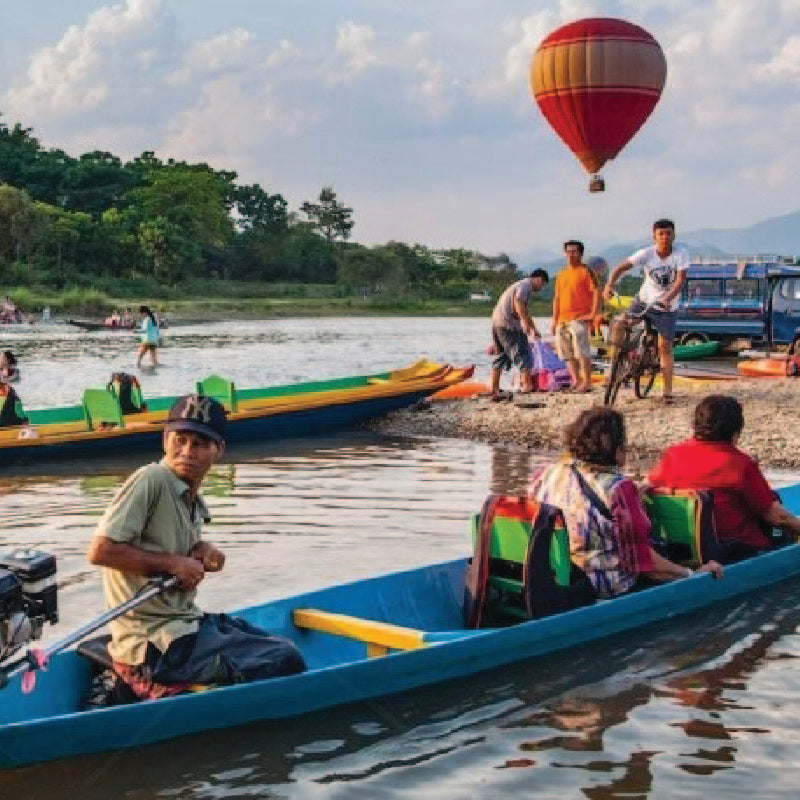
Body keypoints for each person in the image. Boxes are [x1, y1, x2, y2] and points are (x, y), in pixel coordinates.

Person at [87, 394, 306, 700]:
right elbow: (101, 551)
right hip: (156, 642)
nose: (187, 452)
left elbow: (168, 544)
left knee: (268, 639)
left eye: (200, 444)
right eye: (180, 440)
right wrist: (172, 564)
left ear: (219, 451)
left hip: (185, 622)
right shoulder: (151, 479)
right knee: (285, 658)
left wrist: (203, 549)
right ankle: (149, 680)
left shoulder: (190, 495)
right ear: (165, 440)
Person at [529, 406, 722, 598]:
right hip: (606, 584)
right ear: (617, 450)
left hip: (561, 575)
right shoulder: (618, 488)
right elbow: (641, 562)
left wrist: (630, 501)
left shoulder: (547, 474)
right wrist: (692, 574)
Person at [648, 394, 800, 561]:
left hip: (680, 549)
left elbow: (651, 489)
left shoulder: (672, 455)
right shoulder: (740, 464)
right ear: (735, 433)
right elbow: (776, 516)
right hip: (734, 549)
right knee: (782, 530)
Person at [603, 219, 689, 405]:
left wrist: (668, 298)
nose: (665, 237)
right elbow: (620, 268)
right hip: (644, 300)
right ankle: (614, 366)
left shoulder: (680, 254)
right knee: (619, 324)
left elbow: (680, 281)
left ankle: (667, 392)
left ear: (673, 235)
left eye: (668, 233)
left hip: (667, 307)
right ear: (654, 236)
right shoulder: (646, 254)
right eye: (661, 234)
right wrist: (610, 284)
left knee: (665, 347)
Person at [489, 268, 549, 400]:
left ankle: (494, 388)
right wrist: (525, 324)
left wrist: (532, 327)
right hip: (508, 326)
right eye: (543, 284)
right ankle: (526, 385)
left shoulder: (520, 285)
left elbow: (523, 310)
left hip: (498, 323)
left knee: (502, 356)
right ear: (538, 279)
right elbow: (519, 303)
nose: (541, 288)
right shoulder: (525, 285)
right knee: (523, 353)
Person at [551, 241, 600, 393]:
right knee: (567, 353)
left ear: (580, 254)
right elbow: (557, 297)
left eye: (574, 251)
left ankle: (587, 382)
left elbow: (597, 293)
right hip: (562, 319)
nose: (571, 254)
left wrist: (593, 314)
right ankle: (576, 381)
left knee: (582, 351)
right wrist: (554, 320)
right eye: (568, 251)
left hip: (580, 317)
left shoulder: (587, 271)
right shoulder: (562, 273)